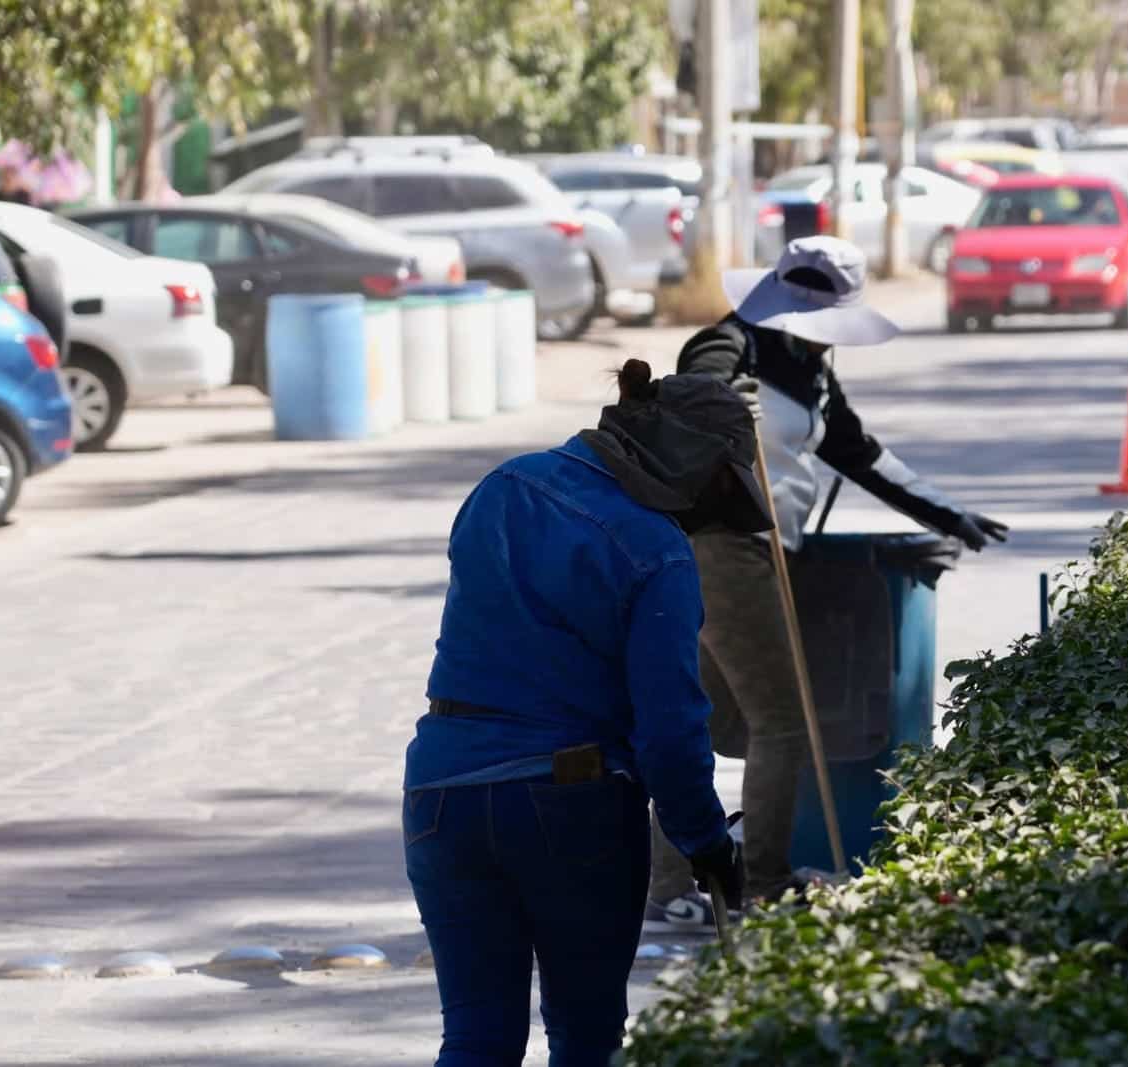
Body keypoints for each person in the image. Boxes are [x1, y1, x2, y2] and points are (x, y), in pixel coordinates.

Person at [404, 361, 769, 1067]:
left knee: (476, 1036)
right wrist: (707, 845)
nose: (707, 513)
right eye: (718, 487)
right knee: (587, 1037)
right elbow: (669, 729)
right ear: (692, 460)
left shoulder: (503, 486)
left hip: (439, 795)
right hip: (568, 805)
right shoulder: (654, 549)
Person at [643, 235, 1009, 932]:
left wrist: (948, 512)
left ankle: (669, 880)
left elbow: (858, 452)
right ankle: (764, 883)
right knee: (781, 722)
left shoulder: (810, 367)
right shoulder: (728, 344)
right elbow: (681, 403)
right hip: (720, 547)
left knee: (698, 722)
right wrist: (721, 403)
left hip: (766, 550)